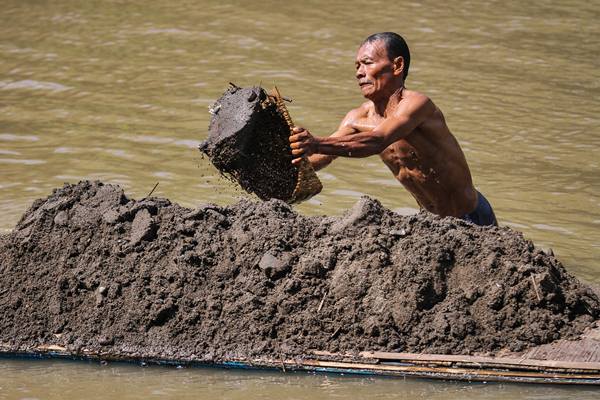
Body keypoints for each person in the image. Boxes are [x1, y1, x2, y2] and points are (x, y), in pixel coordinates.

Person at [289, 32, 497, 226]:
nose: (360, 73)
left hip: (471, 217)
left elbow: (377, 140)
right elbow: (323, 156)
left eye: (367, 63)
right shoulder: (357, 118)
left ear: (397, 65)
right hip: (431, 222)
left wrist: (315, 143)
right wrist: (288, 162)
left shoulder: (417, 105)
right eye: (357, 66)